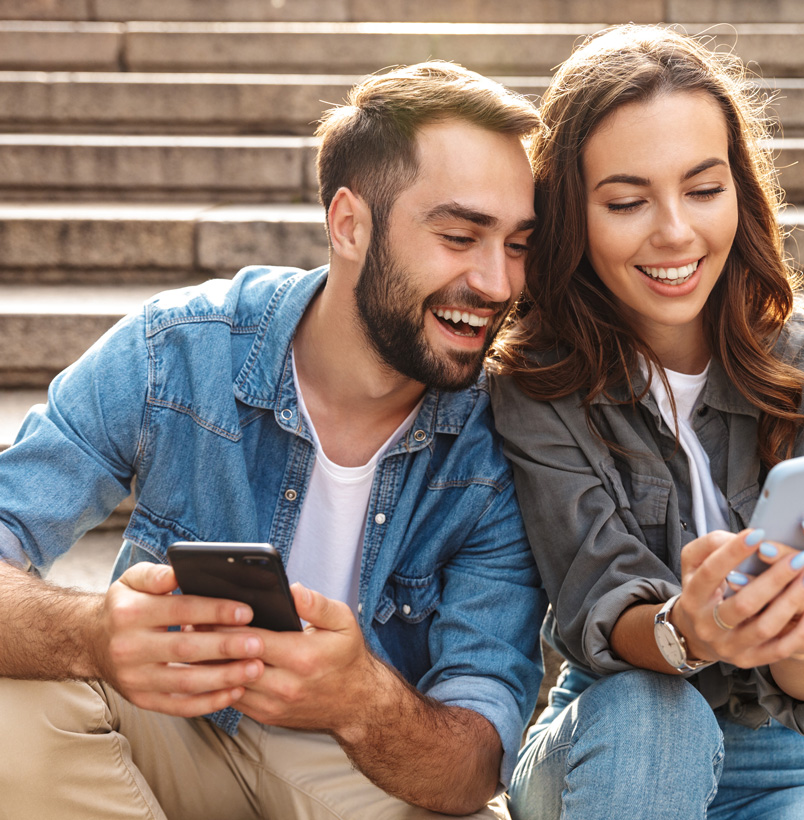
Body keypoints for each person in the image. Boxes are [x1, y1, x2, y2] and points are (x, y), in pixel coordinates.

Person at [0, 62, 547, 819]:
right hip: (170, 729)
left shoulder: (504, 444)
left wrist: (361, 699)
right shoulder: (179, 350)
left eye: (518, 244)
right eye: (459, 236)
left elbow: (476, 764)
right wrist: (91, 633)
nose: (496, 282)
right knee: (11, 706)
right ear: (349, 224)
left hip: (355, 765)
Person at [490, 26, 804, 820]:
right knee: (656, 715)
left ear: (741, 192)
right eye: (628, 201)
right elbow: (593, 604)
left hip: (781, 755)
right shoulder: (536, 387)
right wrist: (689, 629)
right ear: (572, 213)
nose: (673, 231)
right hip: (612, 730)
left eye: (703, 190)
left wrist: (802, 629)